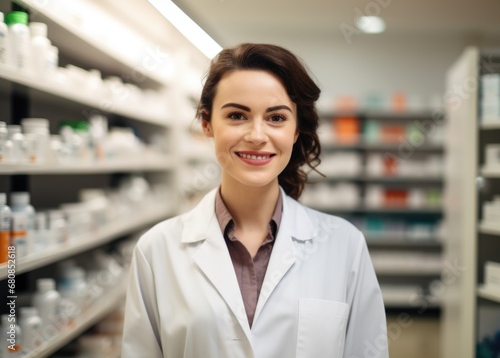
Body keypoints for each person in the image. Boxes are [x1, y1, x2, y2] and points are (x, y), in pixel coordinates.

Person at [122, 43, 388, 358]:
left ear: (295, 130)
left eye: (276, 118)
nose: (257, 135)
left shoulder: (344, 245)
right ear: (207, 124)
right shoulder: (157, 249)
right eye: (237, 115)